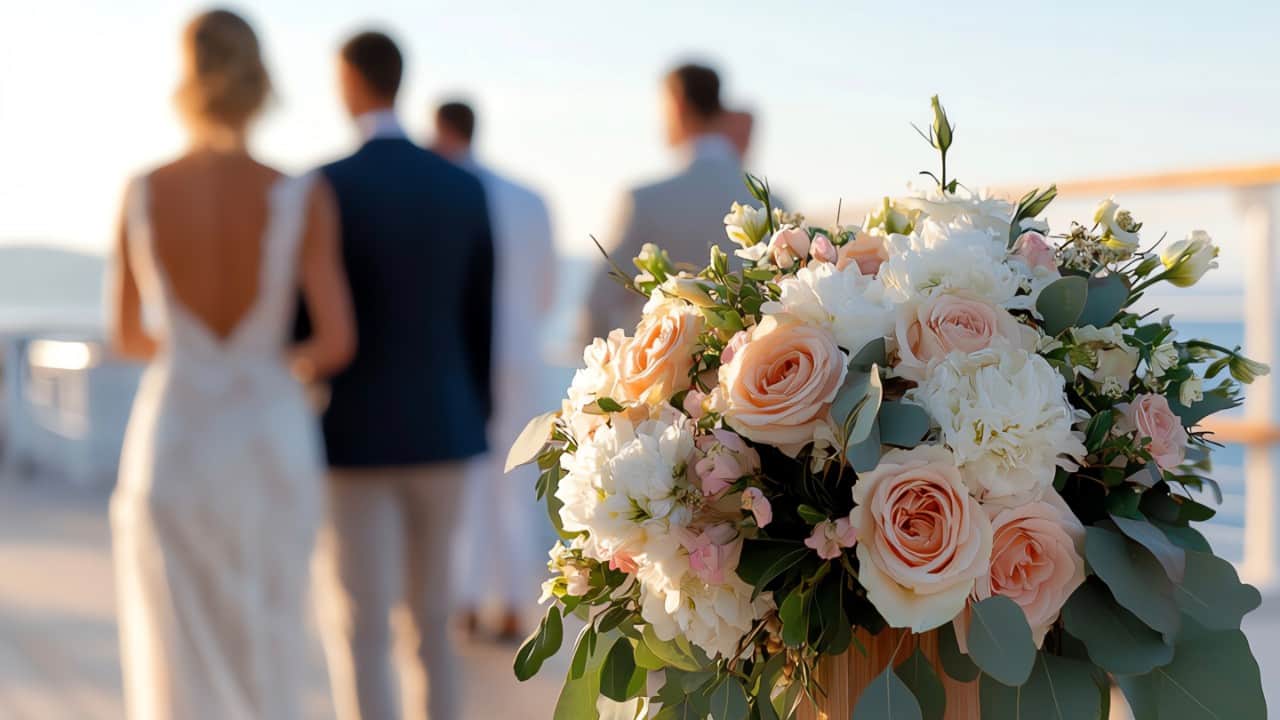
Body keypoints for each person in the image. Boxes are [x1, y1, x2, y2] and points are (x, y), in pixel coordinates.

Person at [109, 9, 356, 719]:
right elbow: (335, 343)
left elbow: (126, 334)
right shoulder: (298, 193)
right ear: (258, 79)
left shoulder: (143, 189)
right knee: (270, 634)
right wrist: (264, 364)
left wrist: (199, 361)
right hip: (267, 434)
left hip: (176, 434)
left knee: (175, 642)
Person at [304, 32, 495, 720]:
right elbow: (481, 319)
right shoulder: (462, 185)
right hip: (447, 427)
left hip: (352, 433)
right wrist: (475, 411)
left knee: (360, 626)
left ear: (351, 81)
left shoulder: (323, 184)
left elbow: (307, 324)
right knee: (435, 620)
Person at [430, 100, 556, 643]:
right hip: (522, 354)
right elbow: (548, 287)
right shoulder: (530, 199)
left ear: (441, 133)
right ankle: (509, 605)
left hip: (460, 356)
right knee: (516, 480)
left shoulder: (441, 194)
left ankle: (462, 602)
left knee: (465, 482)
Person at [583, 63, 758, 341]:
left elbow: (597, 305)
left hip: (659, 383)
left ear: (676, 104)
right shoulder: (772, 202)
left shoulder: (645, 201)